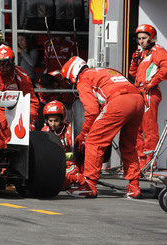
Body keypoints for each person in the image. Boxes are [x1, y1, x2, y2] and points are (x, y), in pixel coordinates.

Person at [62, 56, 144, 199]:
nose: (72, 84)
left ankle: (89, 185)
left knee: (93, 141)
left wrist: (83, 134)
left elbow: (92, 111)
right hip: (138, 100)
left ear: (72, 74)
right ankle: (134, 185)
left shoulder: (83, 79)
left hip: (119, 101)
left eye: (69, 81)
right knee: (128, 145)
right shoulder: (105, 71)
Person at [0, 45, 39, 147]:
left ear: (13, 62)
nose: (4, 68)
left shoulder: (22, 76)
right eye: (1, 65)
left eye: (7, 65)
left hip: (15, 112)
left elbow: (32, 102)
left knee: (17, 141)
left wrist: (28, 120)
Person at [129, 24, 167, 168]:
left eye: (144, 38)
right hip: (139, 92)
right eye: (139, 39)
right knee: (136, 127)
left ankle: (151, 161)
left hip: (150, 94)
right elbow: (133, 74)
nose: (141, 41)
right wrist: (134, 61)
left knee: (149, 128)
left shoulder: (158, 51)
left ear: (151, 38)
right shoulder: (142, 54)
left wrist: (151, 83)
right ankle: (140, 159)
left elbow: (166, 68)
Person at [41, 101, 83, 189]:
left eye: (56, 120)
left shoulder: (70, 130)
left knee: (62, 179)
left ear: (62, 119)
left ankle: (77, 178)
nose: (53, 124)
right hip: (53, 164)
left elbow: (78, 153)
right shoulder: (44, 131)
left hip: (71, 165)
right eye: (50, 121)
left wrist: (63, 156)